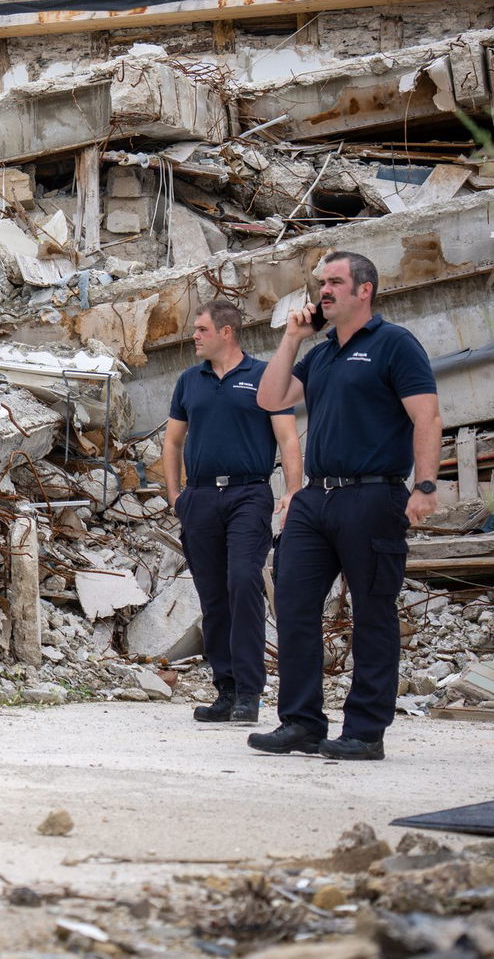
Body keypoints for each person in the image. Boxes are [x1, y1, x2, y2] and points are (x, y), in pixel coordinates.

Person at [251, 251, 441, 761]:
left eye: (335, 282)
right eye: (320, 284)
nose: (323, 291)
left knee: (372, 612)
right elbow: (270, 399)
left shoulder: (395, 345)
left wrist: (424, 486)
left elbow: (427, 417)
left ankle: (364, 732)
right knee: (292, 604)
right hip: (317, 497)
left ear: (365, 290)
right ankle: (301, 722)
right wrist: (293, 337)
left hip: (373, 494)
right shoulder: (323, 353)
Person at [162, 300, 301, 725]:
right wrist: (175, 496)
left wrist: (293, 490)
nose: (194, 336)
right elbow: (172, 442)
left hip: (248, 495)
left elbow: (288, 439)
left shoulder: (263, 377)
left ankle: (249, 691)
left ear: (226, 332)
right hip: (200, 499)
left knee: (243, 581)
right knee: (213, 594)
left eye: (201, 329)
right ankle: (225, 690)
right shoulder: (189, 381)